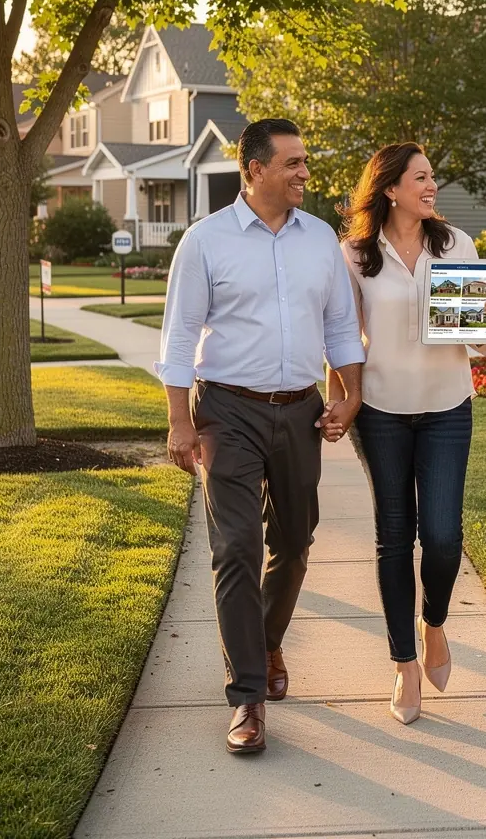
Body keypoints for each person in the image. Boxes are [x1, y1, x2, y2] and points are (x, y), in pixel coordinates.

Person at [156, 118, 365, 754]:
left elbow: (339, 327)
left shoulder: (320, 238)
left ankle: (267, 640)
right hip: (227, 411)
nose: (305, 172)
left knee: (295, 543)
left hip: (300, 410)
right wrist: (179, 421)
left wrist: (346, 398)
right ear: (255, 169)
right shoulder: (206, 241)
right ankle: (247, 695)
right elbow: (179, 336)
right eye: (293, 163)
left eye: (305, 161)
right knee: (237, 547)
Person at [323, 142, 486, 724]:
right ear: (390, 189)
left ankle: (435, 624)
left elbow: (474, 342)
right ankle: (404, 663)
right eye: (421, 178)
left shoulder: (455, 245)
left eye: (433, 177)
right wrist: (342, 398)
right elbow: (340, 337)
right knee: (394, 536)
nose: (432, 187)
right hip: (381, 410)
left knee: (444, 535)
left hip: (447, 405)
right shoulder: (353, 255)